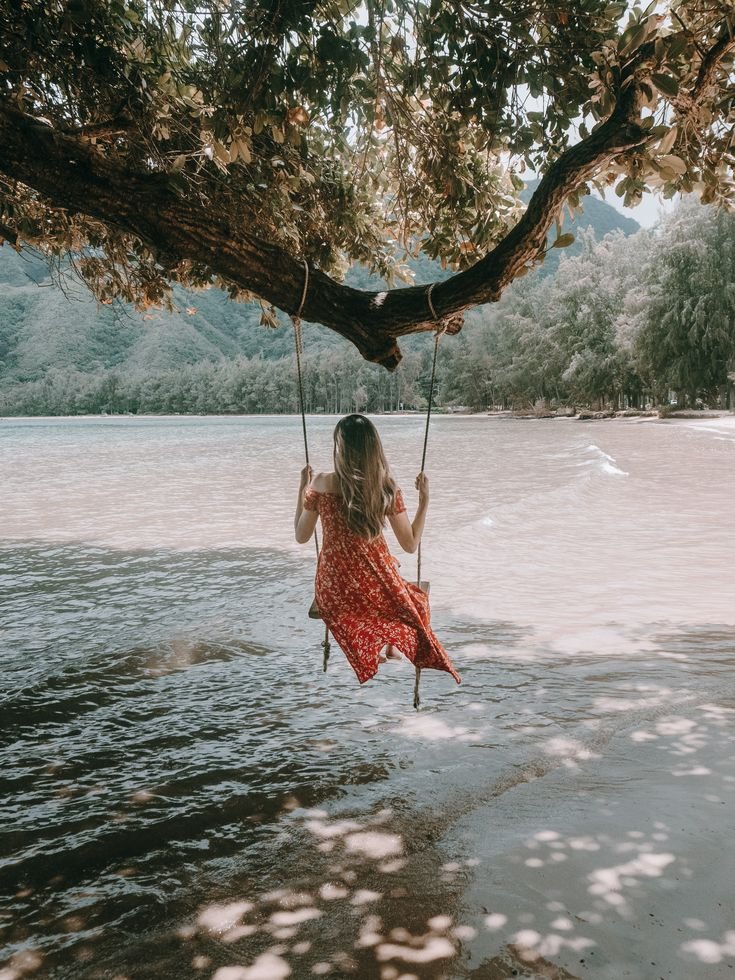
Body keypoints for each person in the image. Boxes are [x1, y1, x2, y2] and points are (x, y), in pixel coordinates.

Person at [294, 413, 461, 690]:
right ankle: (391, 646)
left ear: (340, 448)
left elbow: (301, 536)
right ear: (374, 449)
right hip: (372, 584)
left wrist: (302, 485)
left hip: (334, 589)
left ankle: (387, 646)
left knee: (380, 579)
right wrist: (425, 501)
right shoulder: (385, 487)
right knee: (411, 598)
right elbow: (410, 544)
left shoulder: (320, 483)